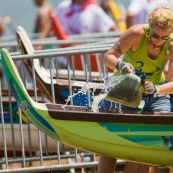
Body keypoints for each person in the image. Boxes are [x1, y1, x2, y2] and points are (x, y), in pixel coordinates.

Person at [98, 5, 173, 173]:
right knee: (110, 145)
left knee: (158, 143)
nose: (158, 41)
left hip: (154, 94)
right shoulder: (136, 33)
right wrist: (121, 64)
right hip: (123, 89)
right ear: (149, 28)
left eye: (164, 37)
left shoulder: (172, 45)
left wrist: (156, 89)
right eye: (154, 35)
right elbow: (108, 57)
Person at [54, 0, 118, 35]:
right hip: (62, 57)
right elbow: (53, 24)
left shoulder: (93, 9)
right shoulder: (63, 6)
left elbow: (113, 29)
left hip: (85, 57)